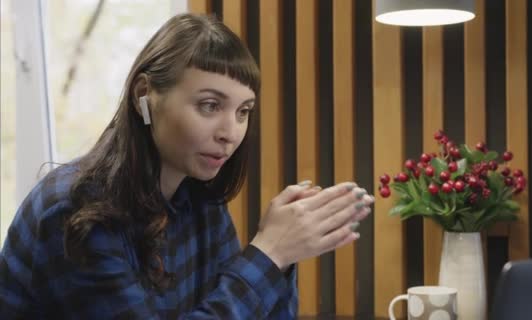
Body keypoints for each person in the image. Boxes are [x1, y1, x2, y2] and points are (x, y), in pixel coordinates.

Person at [0, 13, 373, 319]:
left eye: (243, 112)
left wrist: (283, 256)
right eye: (210, 105)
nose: (231, 132)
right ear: (144, 96)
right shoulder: (75, 210)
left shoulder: (199, 200)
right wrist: (269, 253)